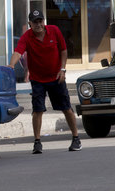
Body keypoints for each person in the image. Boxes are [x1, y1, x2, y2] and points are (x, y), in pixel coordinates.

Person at [8, 10, 82, 154]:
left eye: (40, 21)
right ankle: (37, 142)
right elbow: (18, 52)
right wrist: (11, 65)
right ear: (30, 24)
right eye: (35, 22)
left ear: (44, 21)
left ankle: (76, 138)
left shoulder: (54, 31)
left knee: (66, 107)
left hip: (56, 77)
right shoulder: (27, 37)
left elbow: (63, 50)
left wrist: (63, 69)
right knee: (38, 109)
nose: (38, 24)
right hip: (38, 79)